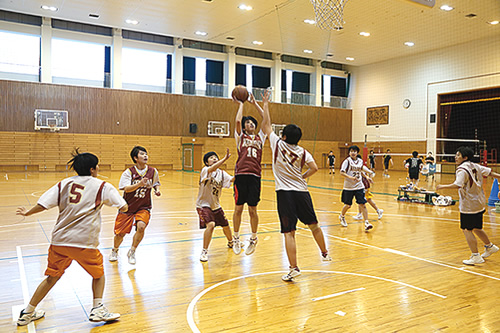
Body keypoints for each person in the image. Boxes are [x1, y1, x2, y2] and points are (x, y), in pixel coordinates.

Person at [15, 150, 128, 326]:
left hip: (59, 241)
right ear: (93, 169)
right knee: (98, 275)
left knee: (52, 277)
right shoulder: (102, 186)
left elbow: (43, 204)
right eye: (97, 165)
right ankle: (97, 308)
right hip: (84, 242)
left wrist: (28, 212)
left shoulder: (64, 184)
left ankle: (27, 312)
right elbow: (123, 206)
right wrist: (125, 207)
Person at [260, 90, 331, 282]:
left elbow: (265, 125)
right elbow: (315, 168)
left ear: (283, 136)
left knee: (289, 232)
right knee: (314, 225)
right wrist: (302, 176)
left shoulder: (277, 144)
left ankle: (294, 268)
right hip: (302, 192)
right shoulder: (303, 151)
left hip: (285, 193)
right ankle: (324, 252)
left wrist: (266, 104)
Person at [436, 146, 500, 265]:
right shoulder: (475, 165)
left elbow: (458, 184)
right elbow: (491, 173)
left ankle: (475, 256)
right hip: (479, 202)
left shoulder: (461, 169)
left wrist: (443, 186)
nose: (456, 157)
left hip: (469, 205)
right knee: (476, 227)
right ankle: (490, 246)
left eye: (458, 155)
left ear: (465, 157)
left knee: (466, 229)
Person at [109, 146, 161, 265]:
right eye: (142, 154)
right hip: (127, 206)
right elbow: (126, 189)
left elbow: (156, 182)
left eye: (146, 154)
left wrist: (156, 189)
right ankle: (115, 250)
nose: (145, 156)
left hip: (144, 205)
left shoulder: (153, 171)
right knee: (120, 233)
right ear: (135, 158)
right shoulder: (128, 173)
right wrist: (139, 184)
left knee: (141, 227)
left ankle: (132, 251)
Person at [232, 93, 266, 255]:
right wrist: (241, 104)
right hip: (241, 176)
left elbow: (266, 118)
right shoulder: (240, 137)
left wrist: (255, 104)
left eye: (252, 122)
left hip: (255, 177)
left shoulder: (261, 137)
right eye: (247, 122)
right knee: (238, 208)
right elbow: (238, 121)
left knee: (253, 210)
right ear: (244, 127)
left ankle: (253, 238)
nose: (250, 124)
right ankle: (236, 238)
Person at [196, 149, 234, 262]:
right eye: (211, 157)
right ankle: (204, 251)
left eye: (215, 157)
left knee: (225, 225)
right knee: (211, 225)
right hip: (203, 204)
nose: (214, 158)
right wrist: (225, 159)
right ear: (207, 162)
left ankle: (232, 242)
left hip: (215, 204)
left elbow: (232, 179)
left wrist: (242, 172)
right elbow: (212, 168)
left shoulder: (222, 173)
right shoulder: (205, 170)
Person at [339, 146, 373, 231]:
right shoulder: (347, 161)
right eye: (351, 151)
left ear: (357, 153)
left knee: (363, 204)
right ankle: (342, 216)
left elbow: (361, 170)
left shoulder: (360, 161)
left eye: (354, 151)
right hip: (348, 187)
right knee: (348, 205)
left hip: (359, 186)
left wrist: (367, 176)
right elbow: (341, 172)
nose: (353, 153)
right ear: (349, 153)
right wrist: (351, 178)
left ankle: (366, 223)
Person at [353, 155, 383, 220]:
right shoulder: (357, 167)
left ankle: (361, 214)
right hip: (363, 184)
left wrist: (370, 174)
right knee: (367, 199)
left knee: (361, 199)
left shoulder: (361, 166)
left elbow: (364, 173)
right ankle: (377, 211)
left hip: (364, 184)